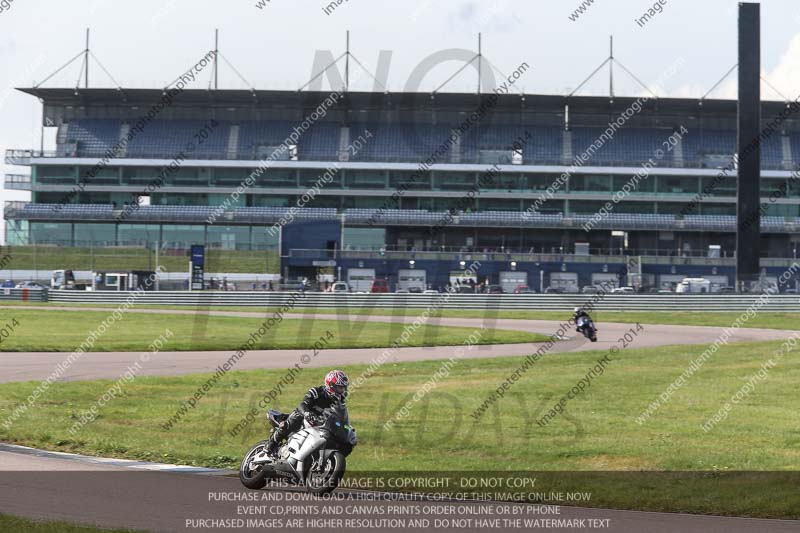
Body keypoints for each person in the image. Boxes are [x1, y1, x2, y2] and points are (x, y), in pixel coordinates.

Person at [265, 370, 349, 457]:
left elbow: (340, 415)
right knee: (297, 416)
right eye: (340, 388)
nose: (342, 390)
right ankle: (272, 442)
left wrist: (345, 426)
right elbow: (303, 404)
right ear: (331, 386)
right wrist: (307, 413)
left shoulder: (339, 402)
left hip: (319, 424)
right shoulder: (316, 392)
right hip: (305, 417)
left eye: (344, 388)